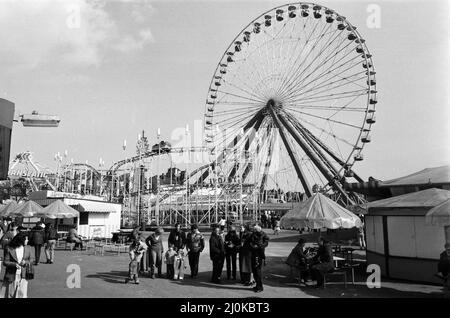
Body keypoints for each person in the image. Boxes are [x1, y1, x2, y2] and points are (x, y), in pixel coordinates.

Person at [0, 233, 34, 298]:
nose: (27, 240)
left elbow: (32, 259)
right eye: (26, 239)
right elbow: (5, 262)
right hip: (12, 274)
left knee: (22, 294)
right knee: (11, 293)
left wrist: (26, 262)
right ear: (21, 240)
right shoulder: (9, 248)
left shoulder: (28, 248)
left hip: (24, 274)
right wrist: (14, 264)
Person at [249, 223, 269, 293]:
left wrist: (259, 246)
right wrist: (252, 246)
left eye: (255, 230)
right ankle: (257, 285)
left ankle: (260, 287)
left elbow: (266, 243)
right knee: (254, 271)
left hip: (259, 254)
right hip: (253, 254)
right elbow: (250, 242)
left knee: (257, 271)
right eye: (254, 230)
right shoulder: (253, 234)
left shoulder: (264, 235)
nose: (254, 231)